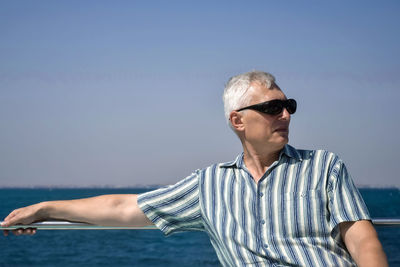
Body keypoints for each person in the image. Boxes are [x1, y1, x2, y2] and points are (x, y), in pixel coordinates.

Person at [2, 71, 387, 266]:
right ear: (238, 121)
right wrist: (46, 208)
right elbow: (123, 208)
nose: (284, 114)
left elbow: (363, 242)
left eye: (289, 106)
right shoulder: (210, 184)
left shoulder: (323, 167)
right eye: (272, 108)